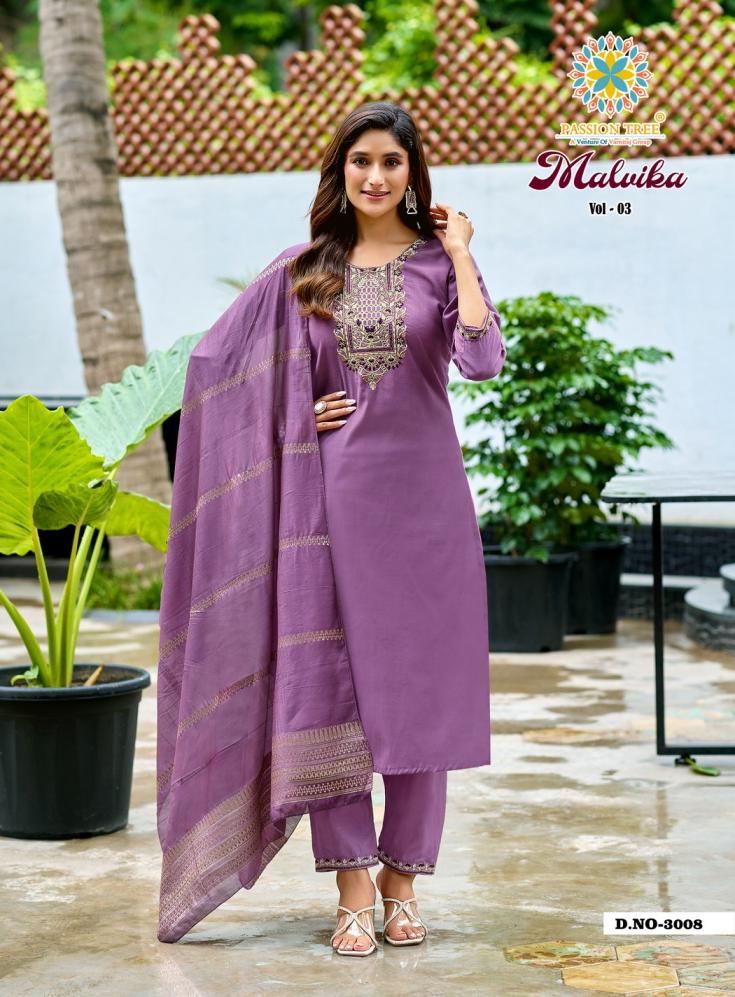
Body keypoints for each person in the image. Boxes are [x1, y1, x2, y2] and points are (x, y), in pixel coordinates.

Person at [155, 101, 505, 951]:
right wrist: (290, 415)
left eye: (391, 161)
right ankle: (351, 880)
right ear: (340, 172)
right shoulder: (303, 268)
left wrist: (462, 253)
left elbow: (481, 359)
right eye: (360, 161)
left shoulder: (439, 264)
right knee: (331, 686)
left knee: (420, 691)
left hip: (427, 508)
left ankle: (402, 876)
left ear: (412, 174)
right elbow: (212, 367)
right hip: (333, 508)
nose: (375, 176)